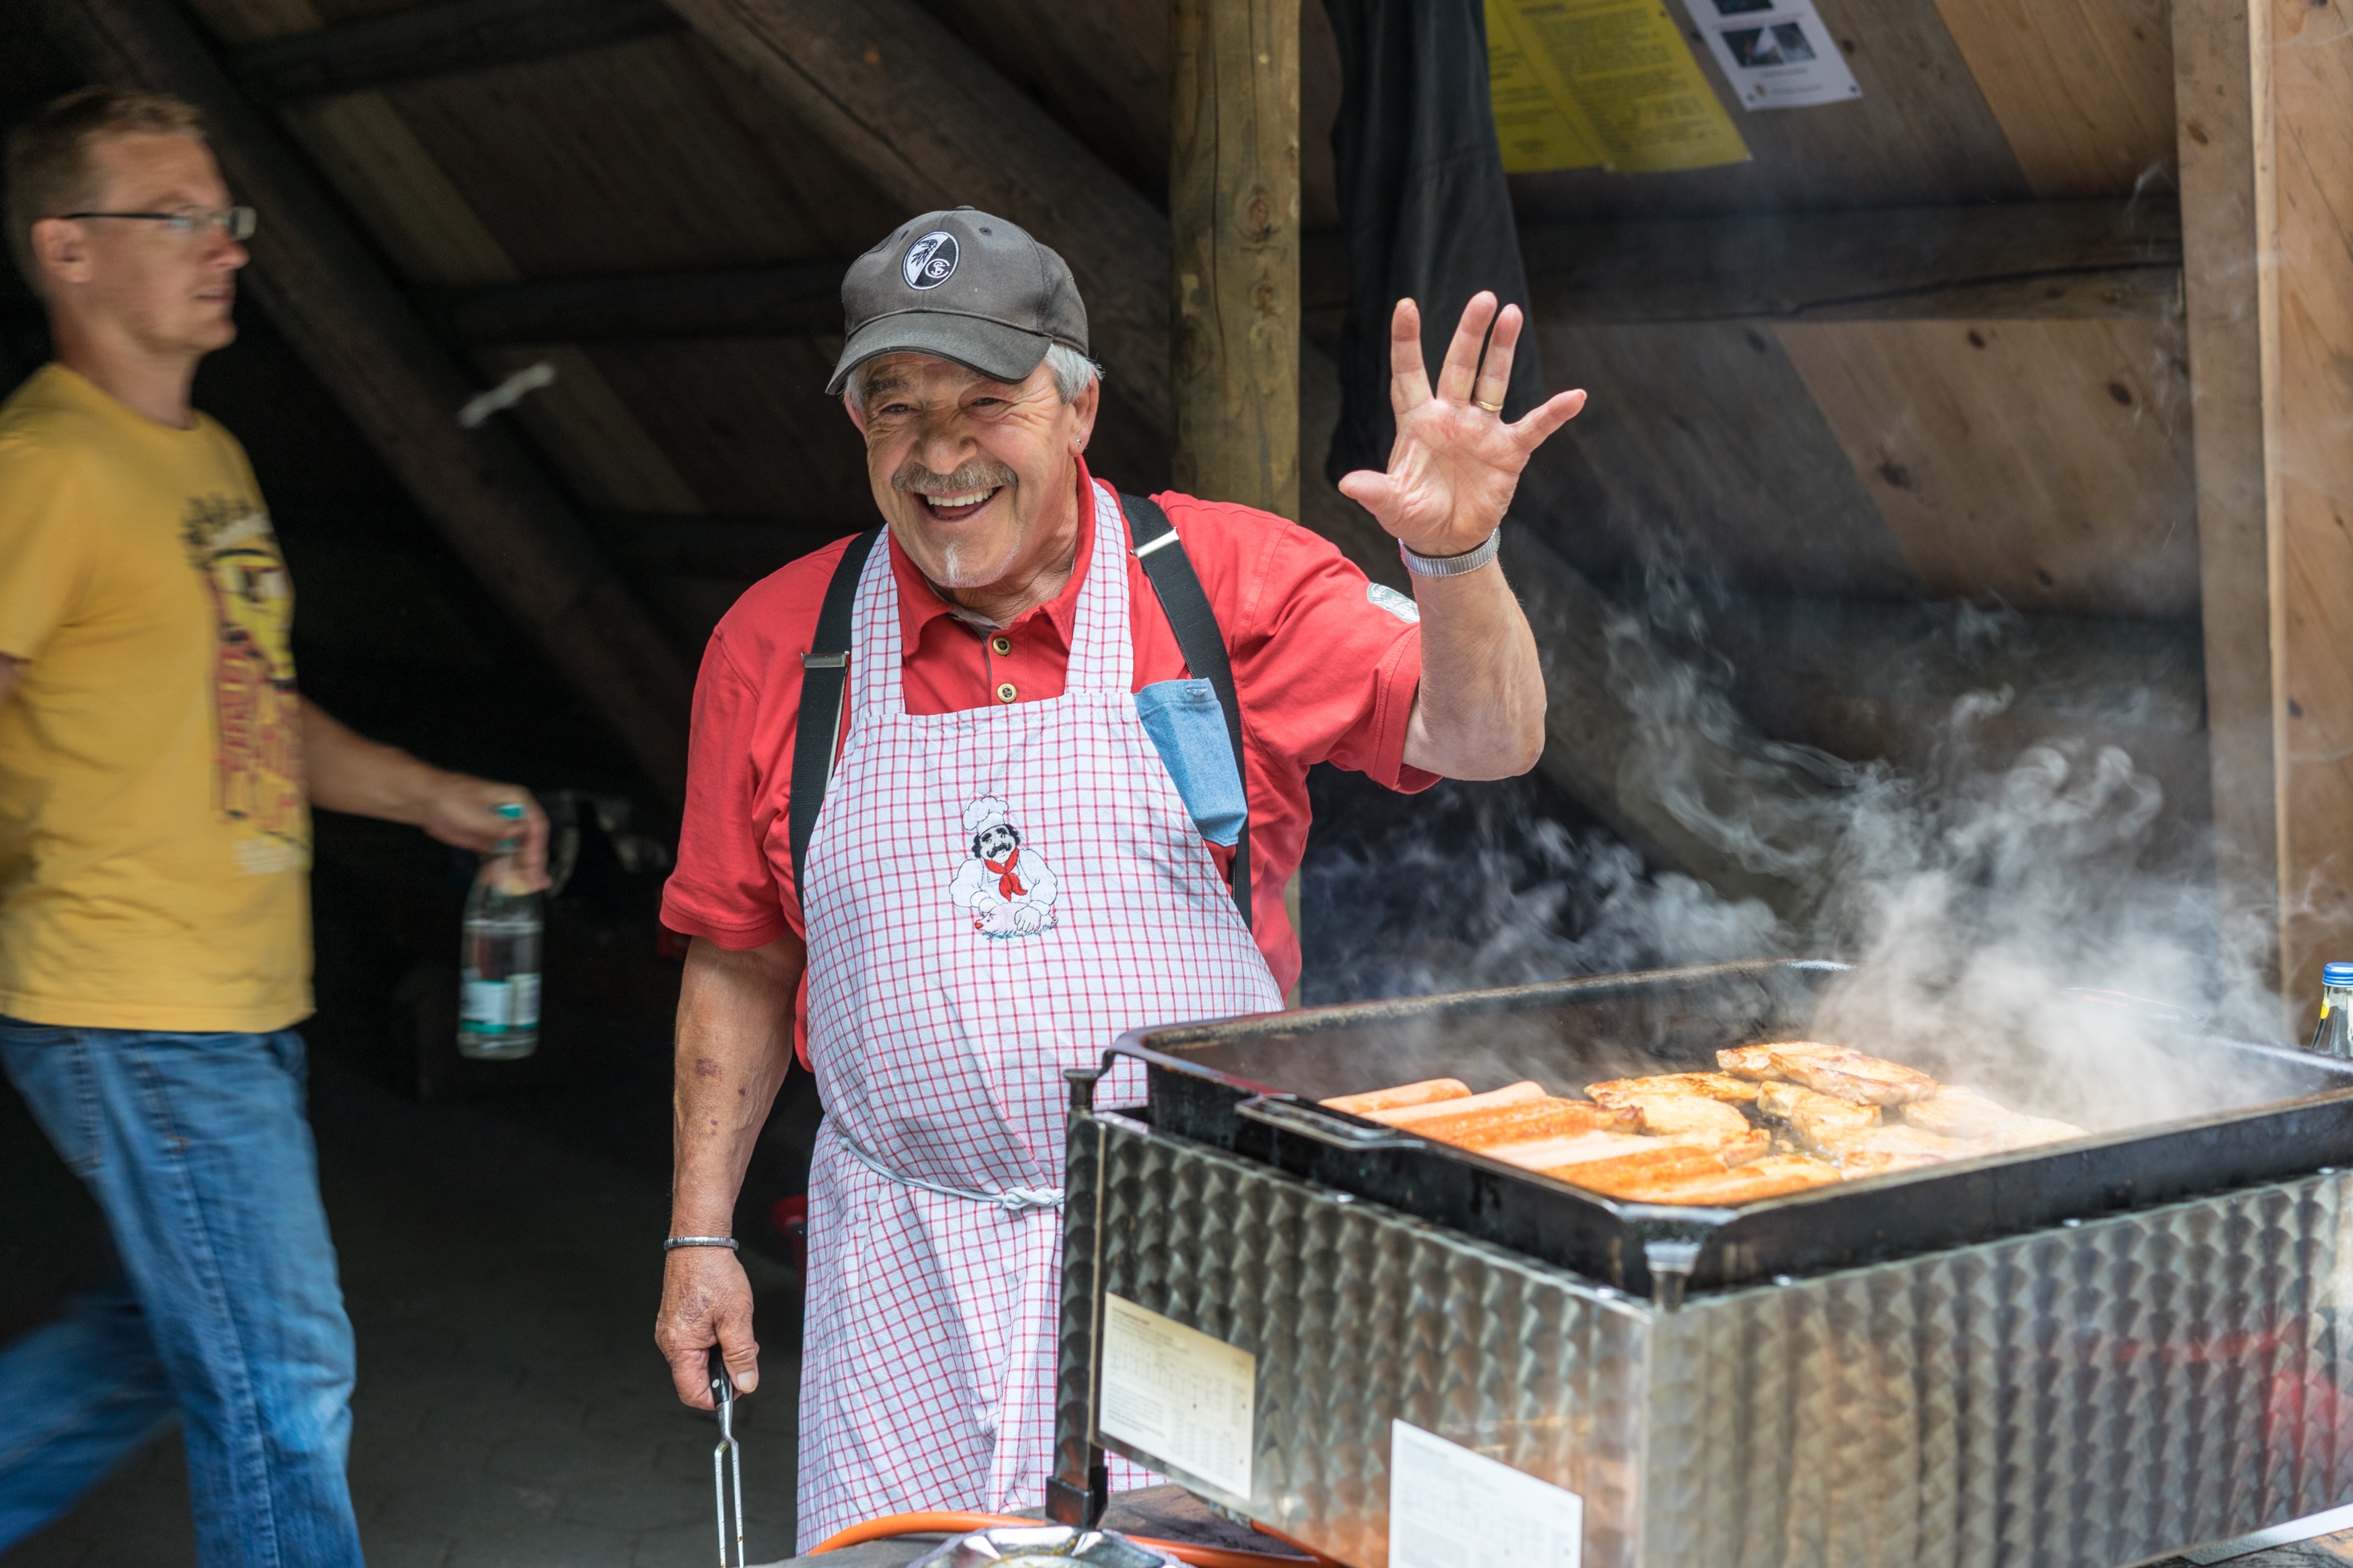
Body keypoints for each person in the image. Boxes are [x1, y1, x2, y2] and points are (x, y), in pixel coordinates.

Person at [652, 207, 1581, 1550]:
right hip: (897, 1262)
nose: (941, 452)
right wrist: (697, 1236)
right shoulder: (777, 642)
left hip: (1180, 1257)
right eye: (896, 406)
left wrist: (1454, 557)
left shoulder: (1223, 584)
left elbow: (1487, 736)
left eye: (987, 400)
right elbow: (739, 951)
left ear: (1079, 407)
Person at [0, 87, 550, 1565]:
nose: (222, 245)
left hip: (229, 995)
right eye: (173, 216)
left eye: (223, 216)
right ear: (68, 249)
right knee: (281, 1373)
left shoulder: (207, 464)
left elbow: (245, 713)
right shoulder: (44, 469)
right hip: (131, 997)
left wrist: (435, 796)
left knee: (162, 1336)